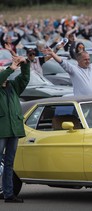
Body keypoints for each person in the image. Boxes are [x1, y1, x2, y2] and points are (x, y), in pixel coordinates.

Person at [0, 55, 30, 203]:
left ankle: (8, 194)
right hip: (1, 131)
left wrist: (25, 64)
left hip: (13, 130)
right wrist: (11, 68)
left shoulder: (13, 86)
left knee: (9, 163)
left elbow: (25, 78)